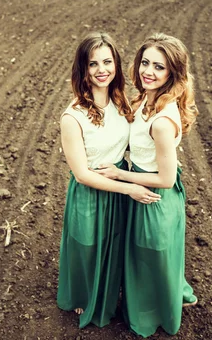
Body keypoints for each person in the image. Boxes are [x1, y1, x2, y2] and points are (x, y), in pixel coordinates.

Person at [56, 32, 161, 329]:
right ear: (83, 69)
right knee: (87, 247)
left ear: (116, 63)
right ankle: (83, 296)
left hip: (119, 187)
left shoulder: (121, 102)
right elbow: (82, 174)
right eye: (93, 64)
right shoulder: (72, 117)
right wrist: (130, 187)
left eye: (107, 61)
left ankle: (114, 291)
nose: (102, 69)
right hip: (92, 191)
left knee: (115, 246)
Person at [97, 33, 198, 337]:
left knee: (150, 254)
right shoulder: (145, 99)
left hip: (154, 195)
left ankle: (154, 315)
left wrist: (120, 174)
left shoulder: (162, 122)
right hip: (144, 183)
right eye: (145, 63)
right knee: (150, 254)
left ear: (173, 74)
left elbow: (165, 179)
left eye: (159, 67)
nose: (148, 72)